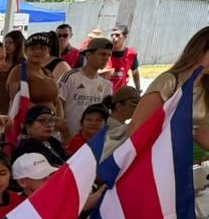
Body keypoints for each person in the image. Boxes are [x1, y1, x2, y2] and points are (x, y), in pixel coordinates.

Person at [129, 26, 209, 154]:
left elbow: (199, 131)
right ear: (200, 50)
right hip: (145, 157)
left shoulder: (205, 89)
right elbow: (136, 127)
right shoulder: (169, 82)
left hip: (172, 159)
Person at [57, 37, 114, 137]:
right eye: (102, 54)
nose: (106, 58)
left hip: (91, 141)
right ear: (88, 55)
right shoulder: (71, 77)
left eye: (109, 55)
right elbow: (58, 103)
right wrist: (64, 132)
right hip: (69, 137)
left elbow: (106, 115)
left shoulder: (107, 85)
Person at [9, 32, 64, 120]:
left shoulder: (48, 73)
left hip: (51, 126)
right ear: (26, 51)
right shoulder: (19, 71)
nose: (37, 52)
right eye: (33, 48)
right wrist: (45, 118)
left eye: (42, 48)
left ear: (48, 51)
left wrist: (60, 119)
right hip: (31, 125)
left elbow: (57, 101)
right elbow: (18, 102)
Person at [103, 25, 140, 91]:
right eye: (112, 35)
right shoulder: (103, 52)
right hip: (102, 93)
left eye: (117, 35)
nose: (113, 37)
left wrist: (138, 89)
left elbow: (135, 72)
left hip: (121, 94)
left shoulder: (131, 54)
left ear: (125, 37)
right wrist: (103, 72)